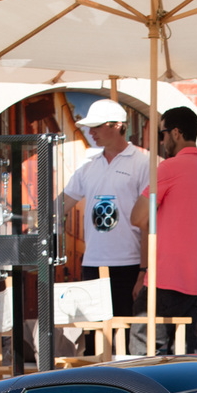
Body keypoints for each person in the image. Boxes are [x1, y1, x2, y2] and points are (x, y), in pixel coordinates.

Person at [130, 106, 197, 354]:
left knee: (144, 353)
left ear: (177, 133)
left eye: (163, 133)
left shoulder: (169, 168)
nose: (161, 140)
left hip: (165, 277)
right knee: (186, 354)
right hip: (196, 279)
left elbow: (137, 217)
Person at [61, 98, 150, 326]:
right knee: (94, 337)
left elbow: (149, 222)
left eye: (97, 126)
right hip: (92, 263)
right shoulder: (88, 167)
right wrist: (30, 216)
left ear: (117, 125)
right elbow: (59, 205)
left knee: (125, 336)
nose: (91, 132)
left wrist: (143, 271)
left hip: (128, 265)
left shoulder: (143, 163)